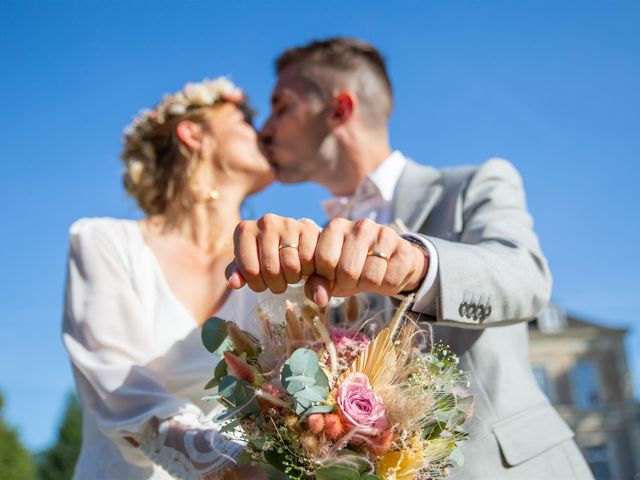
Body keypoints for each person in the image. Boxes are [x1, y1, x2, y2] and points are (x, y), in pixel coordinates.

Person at [227, 38, 594, 478]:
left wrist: (415, 263)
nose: (265, 128)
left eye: (281, 106)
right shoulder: (311, 243)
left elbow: (526, 278)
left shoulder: (472, 184)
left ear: (340, 110)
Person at [62, 78, 270, 479]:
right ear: (193, 133)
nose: (262, 133)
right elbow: (116, 387)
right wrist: (229, 464)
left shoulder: (277, 262)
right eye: (244, 119)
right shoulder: (104, 242)